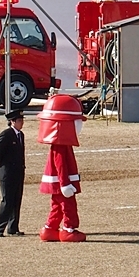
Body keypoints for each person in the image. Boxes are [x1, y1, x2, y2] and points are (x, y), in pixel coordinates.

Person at [38, 94, 87, 242]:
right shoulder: (61, 145)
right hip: (62, 183)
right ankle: (68, 229)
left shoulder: (61, 144)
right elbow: (60, 165)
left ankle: (50, 228)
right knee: (68, 205)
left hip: (58, 182)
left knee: (57, 205)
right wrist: (65, 183)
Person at [0, 109, 26, 237]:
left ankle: (13, 227)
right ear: (12, 121)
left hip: (18, 173)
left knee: (16, 200)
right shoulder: (6, 134)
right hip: (7, 174)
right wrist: (0, 167)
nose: (21, 123)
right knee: (7, 200)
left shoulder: (21, 135)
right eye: (19, 120)